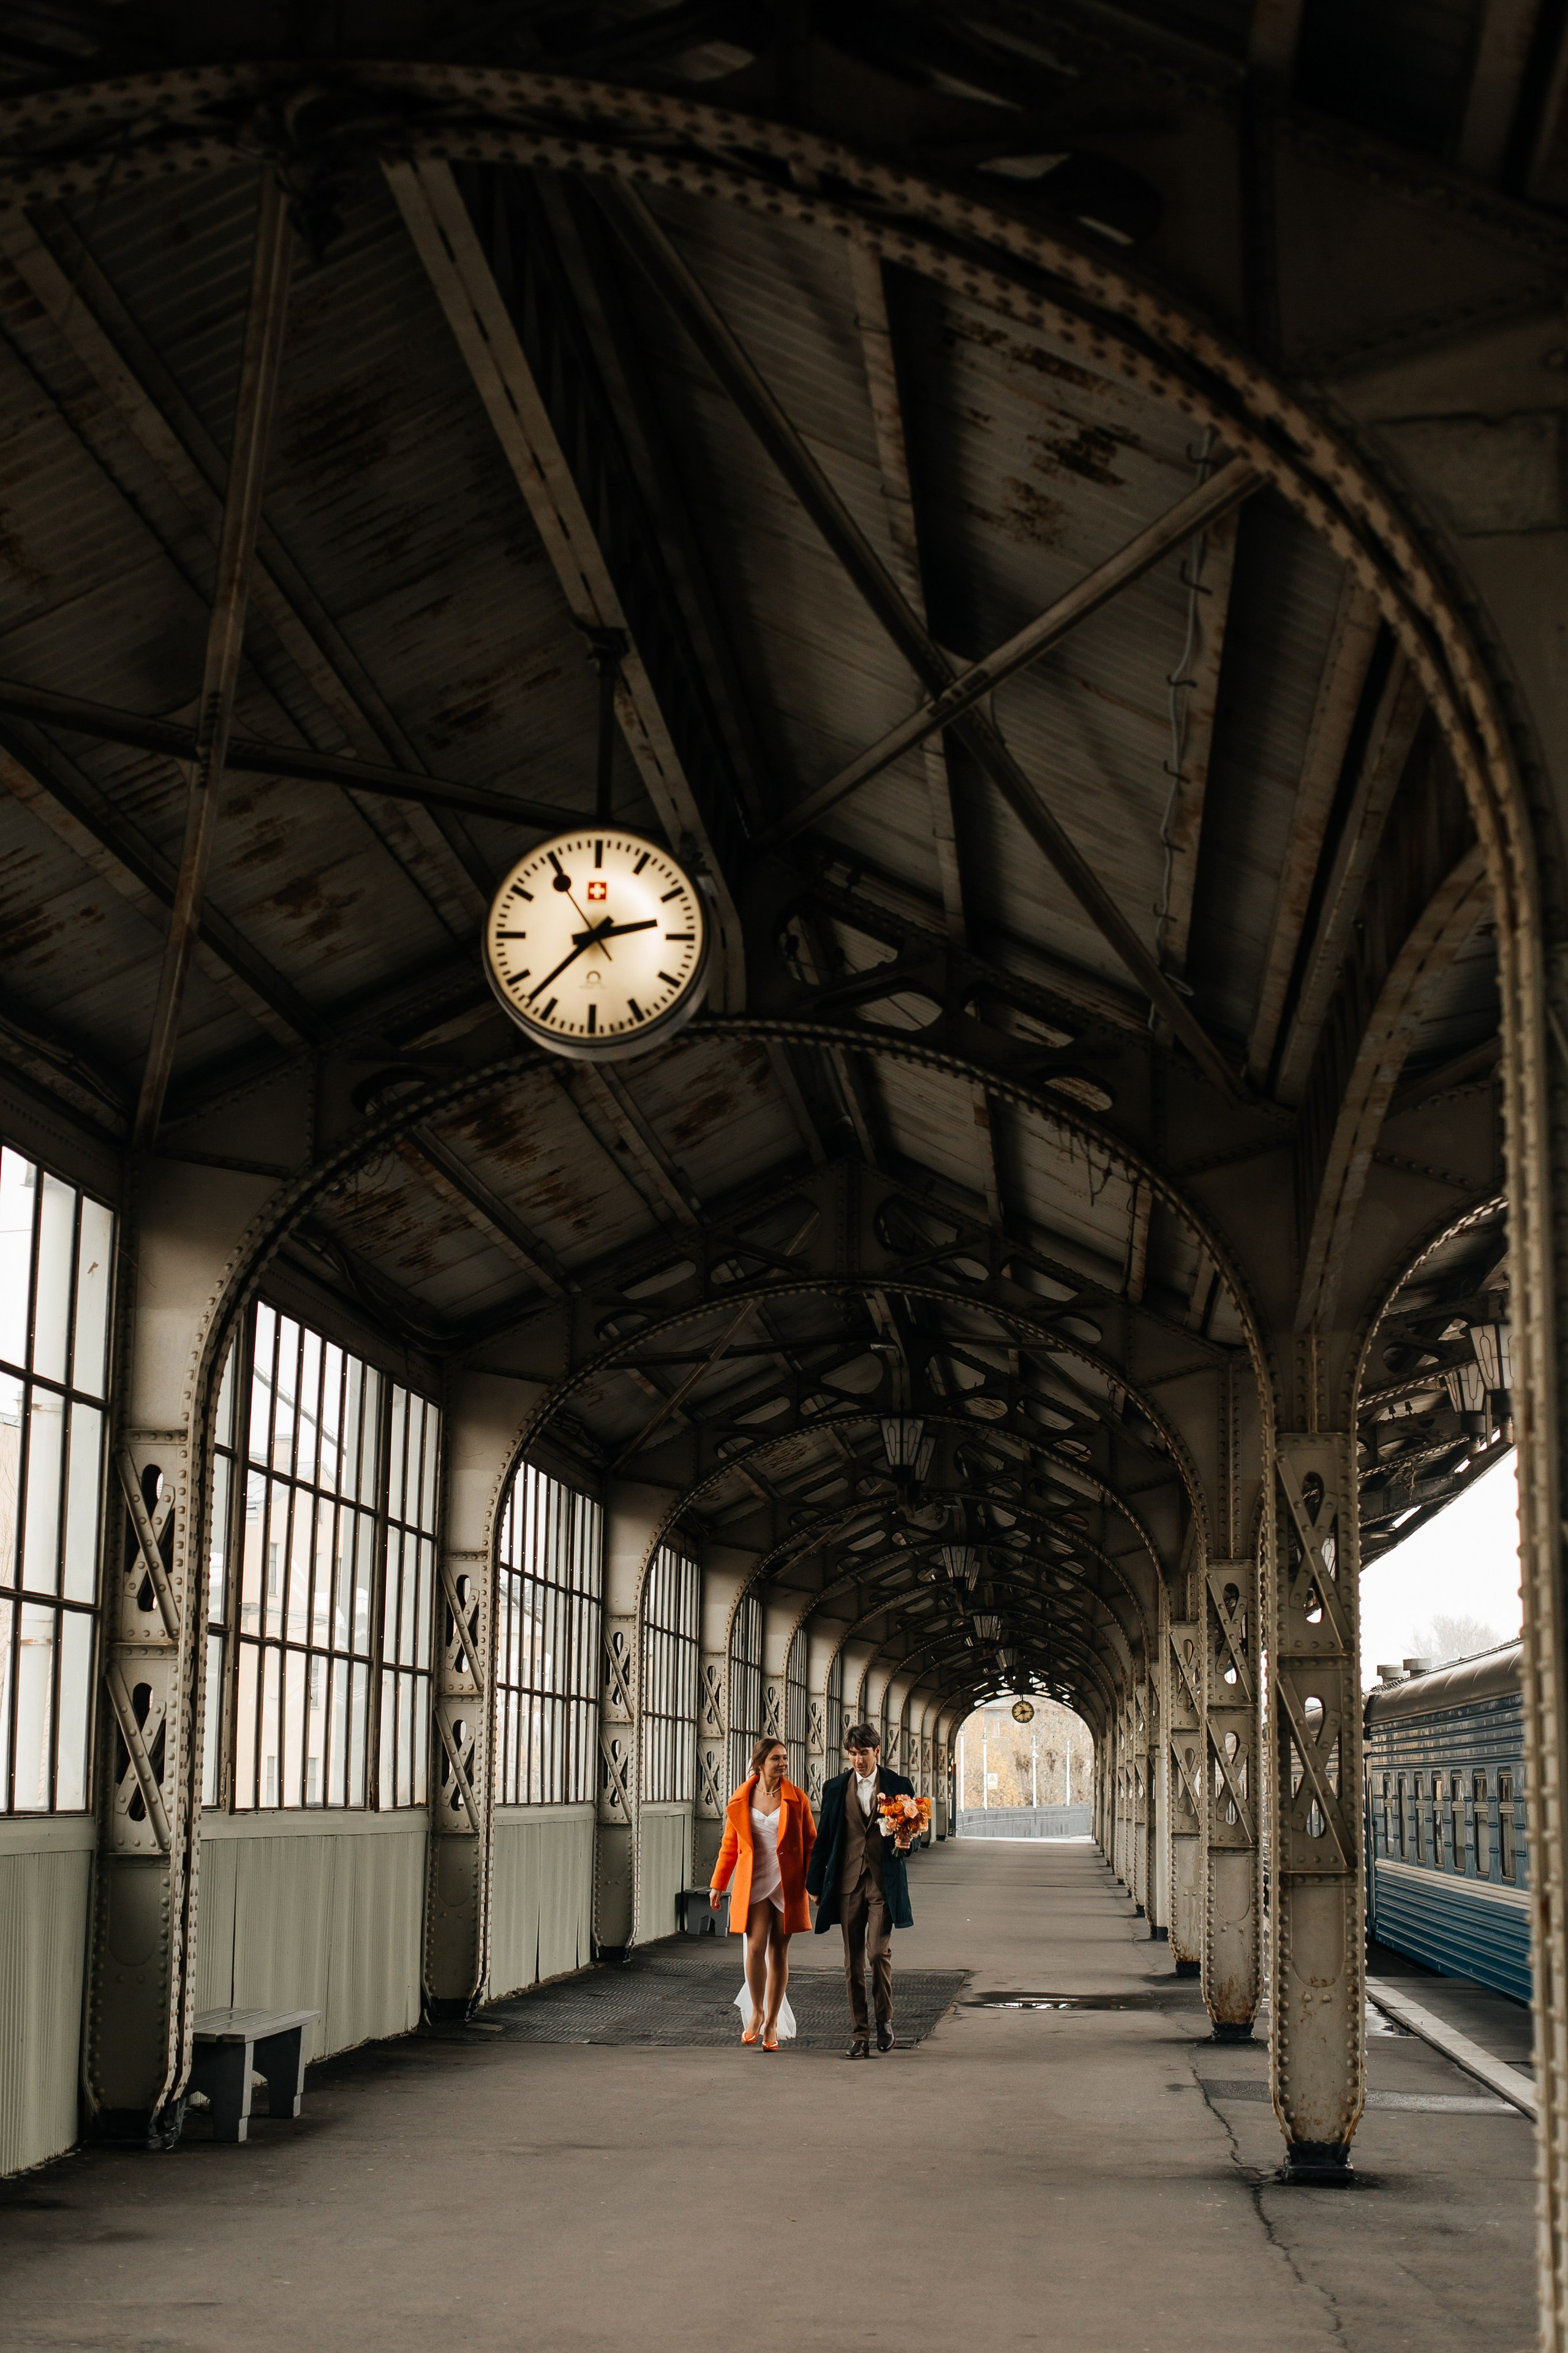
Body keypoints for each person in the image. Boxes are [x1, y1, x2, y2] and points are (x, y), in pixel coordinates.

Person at [805, 1723, 918, 2058]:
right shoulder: (836, 1788)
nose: (857, 1760)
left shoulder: (899, 1785)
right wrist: (814, 1883)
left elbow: (911, 1836)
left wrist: (905, 1842)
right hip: (847, 1882)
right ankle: (860, 2034)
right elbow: (824, 1838)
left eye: (863, 1753)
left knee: (876, 1953)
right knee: (852, 1961)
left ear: (877, 1751)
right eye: (852, 1754)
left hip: (883, 1881)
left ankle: (884, 2021)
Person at [709, 1736, 815, 2051]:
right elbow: (730, 1846)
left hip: (788, 1882)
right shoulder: (741, 1800)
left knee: (779, 1952)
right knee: (755, 1947)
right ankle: (756, 2012)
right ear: (759, 1763)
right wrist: (718, 1884)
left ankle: (771, 2024)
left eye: (785, 1758)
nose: (783, 1763)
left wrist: (814, 1886)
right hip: (754, 1881)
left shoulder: (797, 1799)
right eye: (776, 1759)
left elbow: (811, 1845)